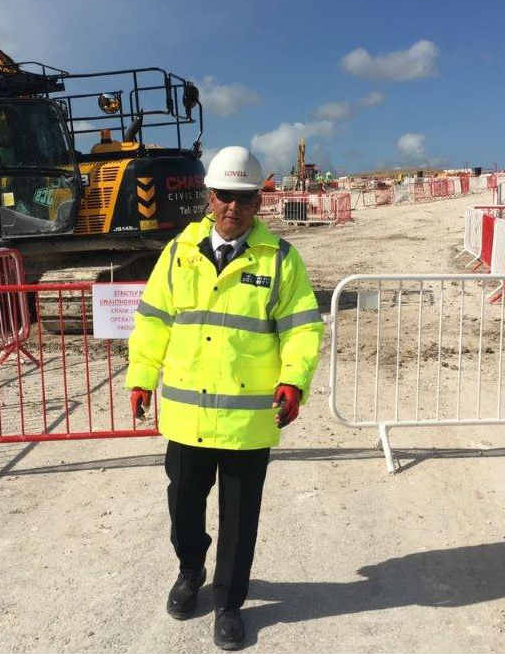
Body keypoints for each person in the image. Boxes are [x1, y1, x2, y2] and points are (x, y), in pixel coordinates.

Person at [126, 146, 323, 650]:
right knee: (184, 508)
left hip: (246, 421)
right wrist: (141, 376)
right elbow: (153, 321)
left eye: (244, 198)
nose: (232, 207)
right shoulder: (178, 253)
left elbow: (301, 328)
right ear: (208, 197)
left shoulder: (280, 260)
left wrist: (294, 380)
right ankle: (191, 572)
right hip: (188, 417)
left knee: (239, 519)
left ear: (258, 202)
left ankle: (230, 603)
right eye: (223, 196)